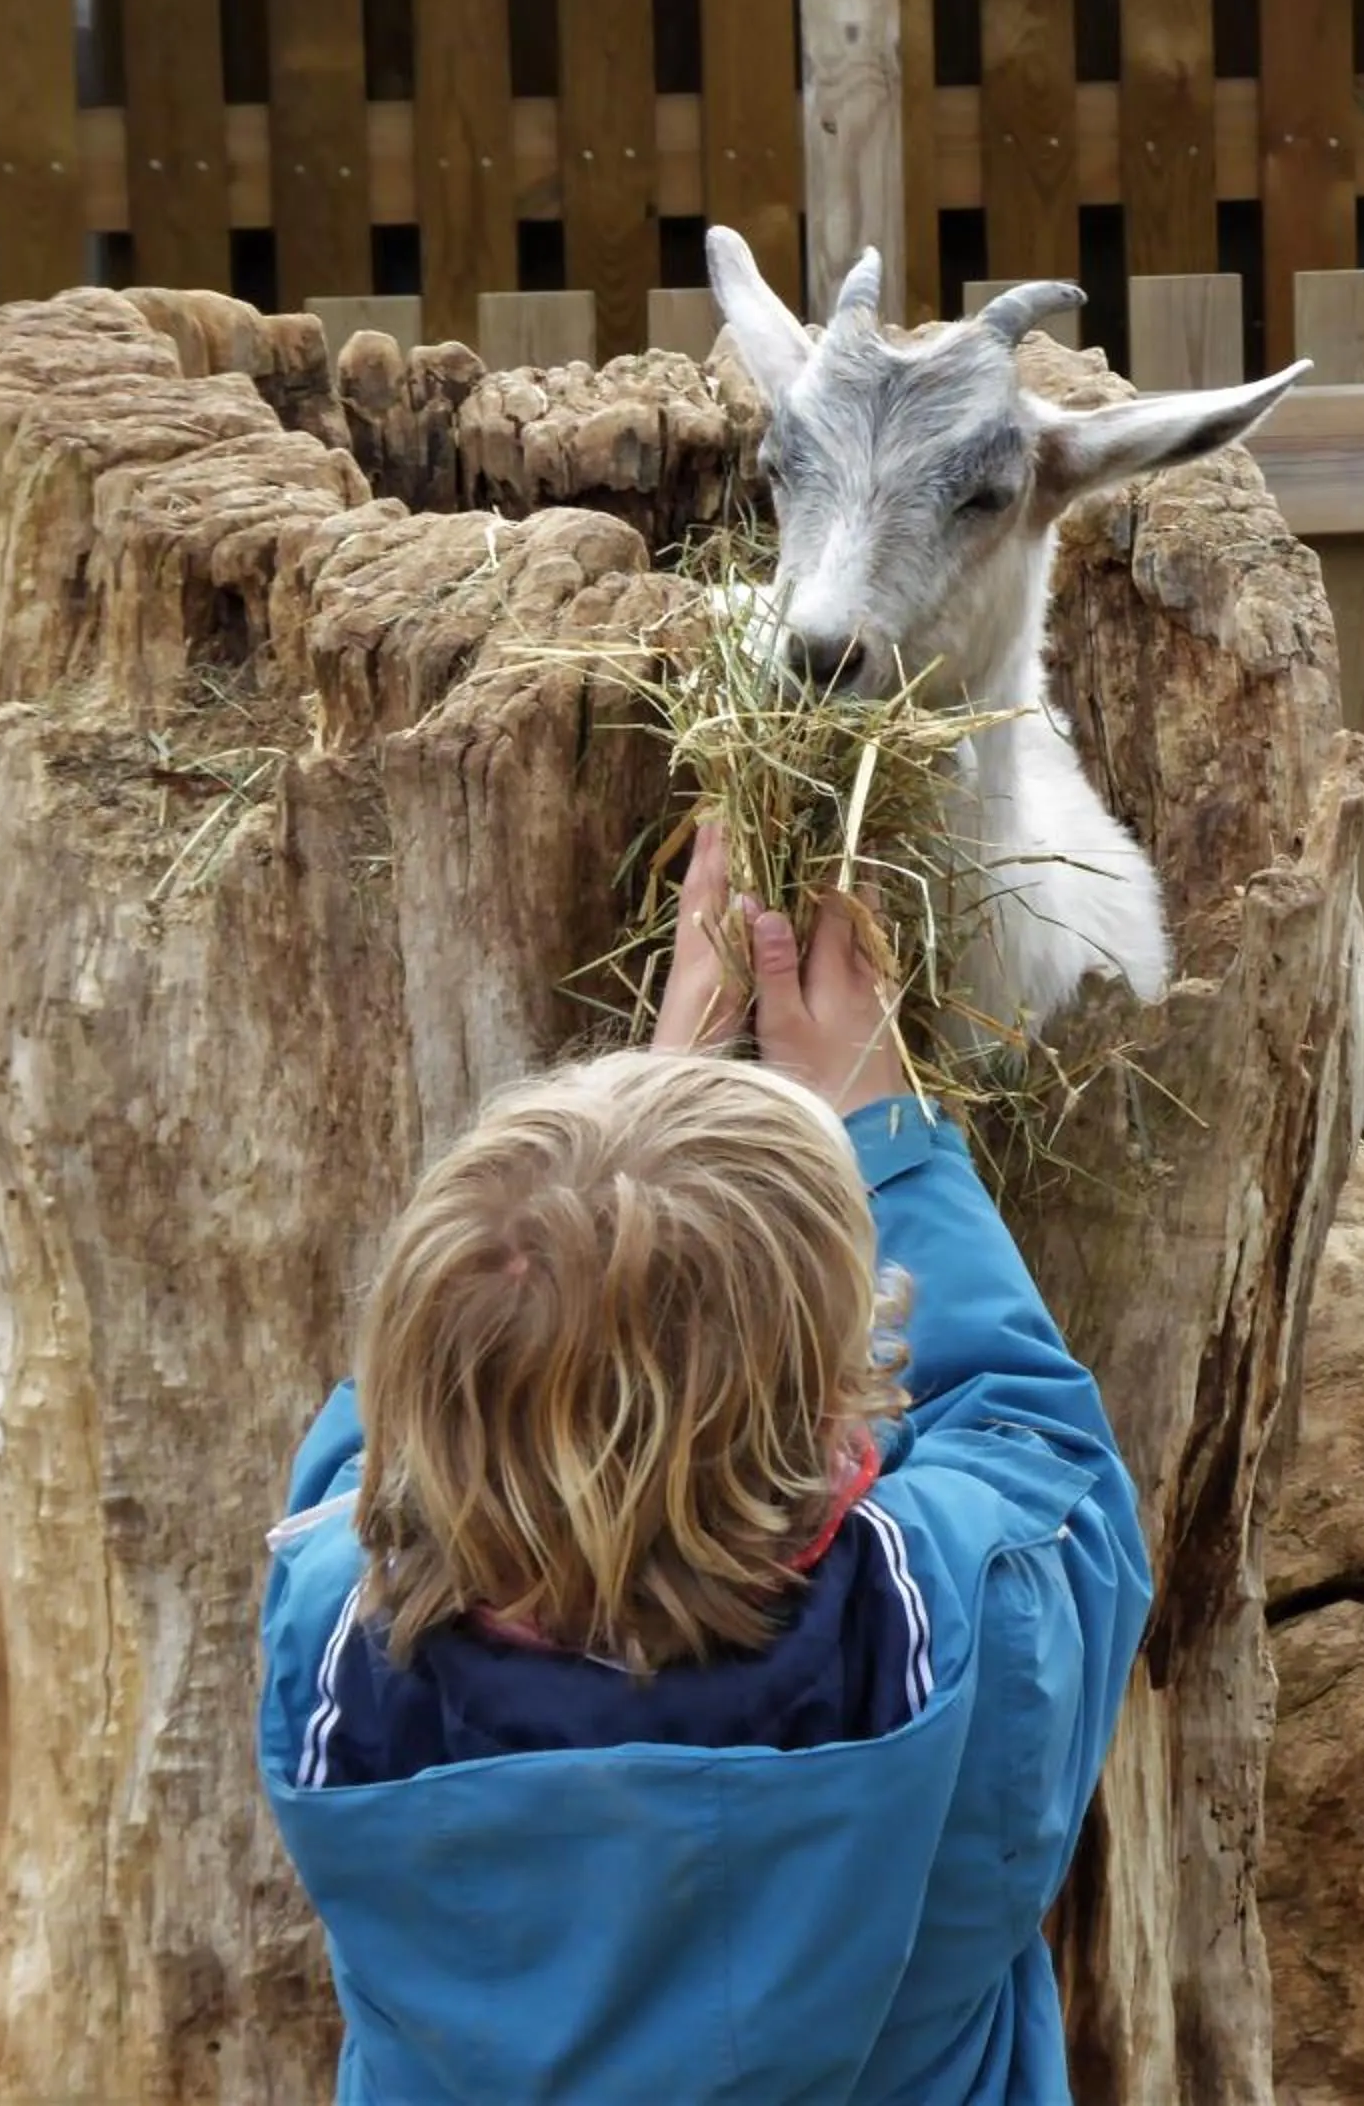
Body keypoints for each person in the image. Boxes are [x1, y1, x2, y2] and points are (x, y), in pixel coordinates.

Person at [256, 820, 1155, 2104]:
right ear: (844, 1409)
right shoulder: (950, 1629)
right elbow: (1039, 1440)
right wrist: (876, 1120)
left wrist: (627, 1134)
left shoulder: (339, 1658)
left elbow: (366, 1470)